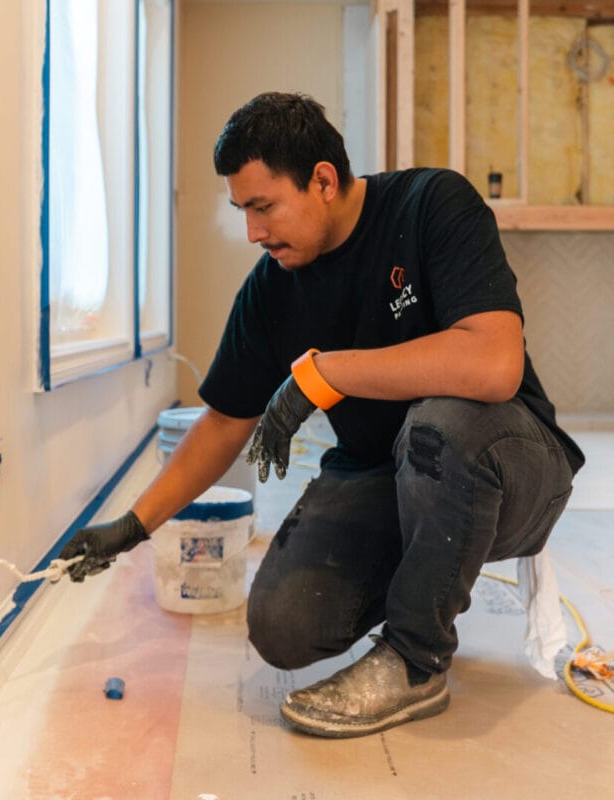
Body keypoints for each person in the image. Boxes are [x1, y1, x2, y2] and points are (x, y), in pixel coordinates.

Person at [59, 92, 584, 738]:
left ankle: (416, 661)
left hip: (510, 468)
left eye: (263, 206)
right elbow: (225, 421)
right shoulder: (272, 288)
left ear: (324, 181)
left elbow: (494, 362)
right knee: (282, 623)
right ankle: (429, 578)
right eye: (241, 211)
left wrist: (326, 372)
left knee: (439, 425)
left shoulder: (431, 207)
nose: (252, 231)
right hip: (383, 478)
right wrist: (133, 527)